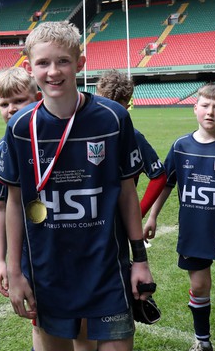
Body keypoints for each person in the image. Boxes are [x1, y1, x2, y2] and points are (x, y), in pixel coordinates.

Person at [0, 20, 154, 351]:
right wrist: (14, 272)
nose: (53, 71)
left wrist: (140, 259)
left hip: (107, 269)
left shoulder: (113, 119)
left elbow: (127, 193)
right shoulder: (20, 127)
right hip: (47, 272)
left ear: (80, 63)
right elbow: (13, 202)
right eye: (43, 63)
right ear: (29, 68)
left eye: (63, 61)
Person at [73, 69, 166, 351]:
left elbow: (159, 176)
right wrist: (138, 211)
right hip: (113, 228)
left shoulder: (91, 131)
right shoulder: (129, 131)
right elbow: (159, 176)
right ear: (129, 100)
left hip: (87, 225)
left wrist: (135, 212)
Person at [143, 81, 215, 351]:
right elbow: (166, 183)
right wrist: (152, 217)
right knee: (199, 286)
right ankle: (202, 341)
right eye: (205, 106)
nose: (210, 112)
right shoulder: (180, 146)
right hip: (194, 231)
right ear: (195, 108)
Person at [0, 66, 42, 351]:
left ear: (36, 97)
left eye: (18, 101)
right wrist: (1, 262)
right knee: (40, 317)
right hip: (29, 252)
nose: (10, 109)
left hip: (68, 238)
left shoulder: (56, 137)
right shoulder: (1, 151)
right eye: (4, 104)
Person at [96, 69, 167, 218]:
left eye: (116, 110)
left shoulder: (133, 136)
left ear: (126, 109)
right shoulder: (84, 133)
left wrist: (137, 214)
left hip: (118, 219)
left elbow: (158, 176)